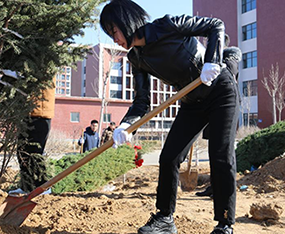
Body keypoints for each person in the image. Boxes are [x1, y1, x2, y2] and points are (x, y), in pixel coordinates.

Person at [100, 1, 240, 234]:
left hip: (219, 90)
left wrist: (212, 60)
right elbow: (142, 101)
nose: (114, 39)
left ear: (126, 21)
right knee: (169, 158)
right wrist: (126, 125)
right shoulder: (136, 58)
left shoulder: (167, 25)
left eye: (113, 31)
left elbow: (215, 25)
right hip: (191, 101)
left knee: (220, 155)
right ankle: (165, 218)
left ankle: (225, 223)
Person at [196, 45, 242, 199]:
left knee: (223, 153)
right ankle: (214, 186)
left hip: (224, 108)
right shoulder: (215, 61)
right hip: (211, 105)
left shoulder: (231, 61)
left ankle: (222, 189)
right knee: (213, 152)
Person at [9, 77, 55, 195]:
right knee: (22, 151)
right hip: (27, 114)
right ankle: (26, 187)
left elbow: (35, 78)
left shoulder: (44, 66)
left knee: (35, 153)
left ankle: (43, 187)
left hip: (40, 115)